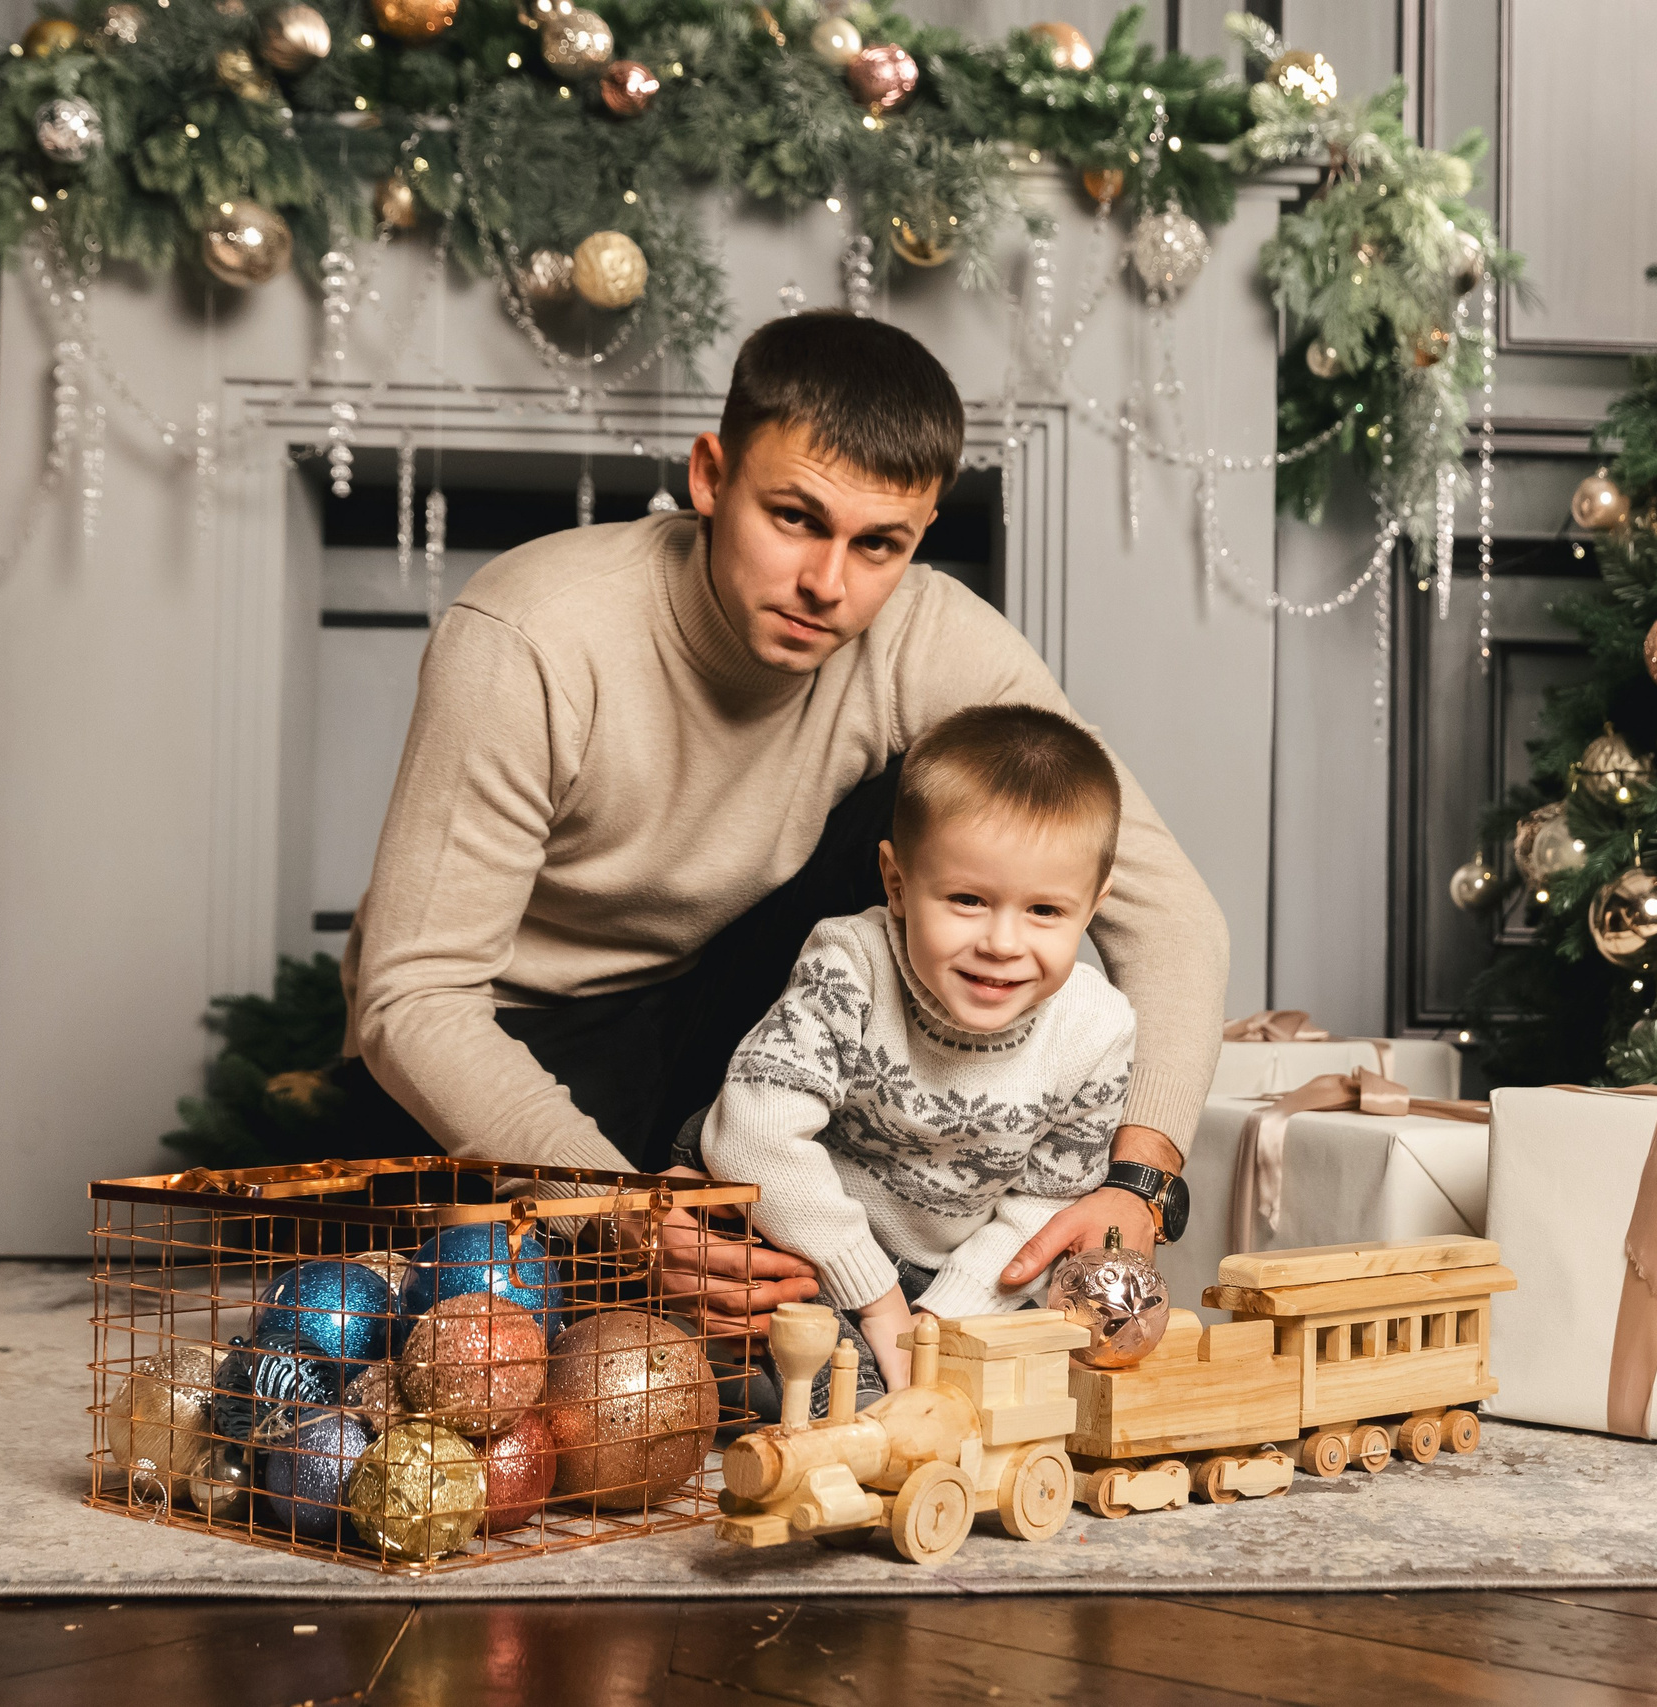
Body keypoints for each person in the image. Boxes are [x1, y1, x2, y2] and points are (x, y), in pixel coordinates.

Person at [337, 310, 1225, 1339]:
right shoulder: (532, 635)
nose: (829, 585)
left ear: (921, 532)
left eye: (879, 544)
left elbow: (1169, 915)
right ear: (710, 476)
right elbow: (413, 998)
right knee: (482, 1346)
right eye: (795, 518)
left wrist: (1136, 1182)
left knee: (970, 811)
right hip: (515, 1037)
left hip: (734, 1024)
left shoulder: (923, 633)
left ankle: (873, 1232)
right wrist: (621, 1212)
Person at [684, 703, 1134, 1413]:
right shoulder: (852, 964)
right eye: (967, 899)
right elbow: (753, 1136)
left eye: (1046, 912)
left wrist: (940, 1320)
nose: (1002, 942)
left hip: (958, 1263)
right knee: (822, 1395)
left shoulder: (1098, 1025)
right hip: (810, 1231)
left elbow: (1045, 1201)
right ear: (897, 883)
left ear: (1092, 906)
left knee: (1025, 1391)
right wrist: (875, 1296)